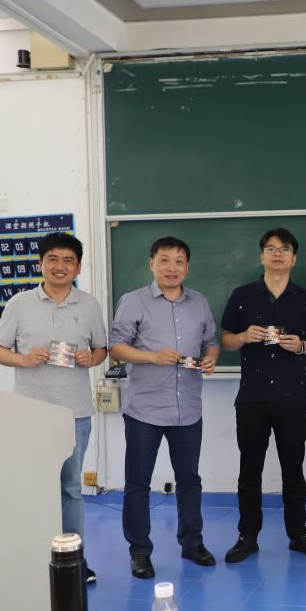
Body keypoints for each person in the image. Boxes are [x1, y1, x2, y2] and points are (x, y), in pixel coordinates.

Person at [0, 232, 107, 583]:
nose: (60, 266)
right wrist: (24, 360)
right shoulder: (19, 303)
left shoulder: (89, 305)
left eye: (68, 260)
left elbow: (101, 349)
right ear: (41, 264)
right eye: (53, 259)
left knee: (71, 488)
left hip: (76, 414)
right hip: (31, 414)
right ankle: (33, 557)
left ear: (78, 267)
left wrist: (91, 358)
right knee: (33, 488)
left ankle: (73, 560)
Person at [109, 236, 220, 579]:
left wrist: (211, 358)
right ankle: (140, 551)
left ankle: (192, 543)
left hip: (188, 407)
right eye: (165, 260)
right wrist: (153, 357)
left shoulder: (199, 302)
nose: (172, 268)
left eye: (179, 261)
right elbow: (116, 347)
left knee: (190, 480)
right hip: (145, 409)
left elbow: (211, 341)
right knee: (138, 483)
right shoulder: (133, 301)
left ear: (187, 266)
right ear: (152, 264)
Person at [218, 228, 306, 563]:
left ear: (294, 258)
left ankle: (299, 534)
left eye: (284, 249)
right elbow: (225, 340)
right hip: (251, 398)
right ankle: (247, 536)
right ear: (261, 256)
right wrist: (242, 337)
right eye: (270, 249)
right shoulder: (241, 296)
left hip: (293, 398)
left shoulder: (305, 299)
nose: (277, 254)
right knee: (249, 470)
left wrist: (301, 346)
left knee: (293, 470)